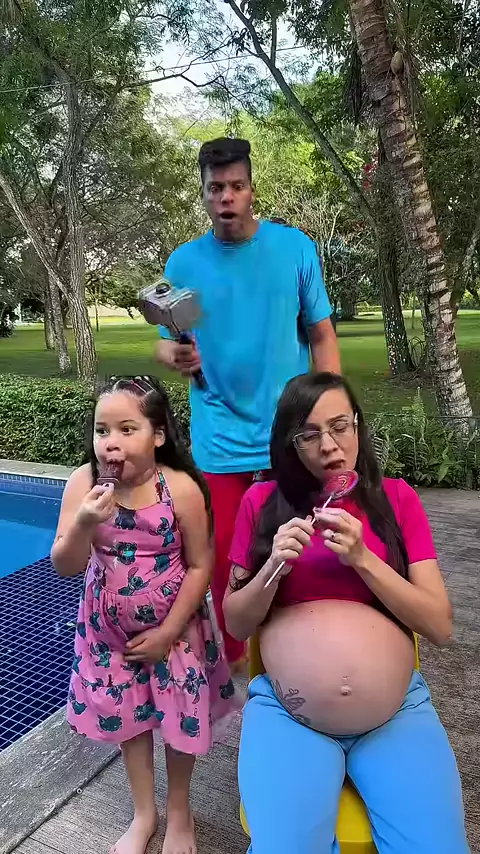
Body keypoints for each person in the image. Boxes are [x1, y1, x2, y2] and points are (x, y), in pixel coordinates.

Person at [223, 372, 469, 854]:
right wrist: (273, 567)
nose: (329, 446)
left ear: (357, 425)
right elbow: (236, 623)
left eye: (340, 426)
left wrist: (363, 559)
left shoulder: (396, 499)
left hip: (395, 714)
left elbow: (439, 626)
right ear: (290, 443)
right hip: (289, 717)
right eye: (309, 434)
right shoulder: (262, 503)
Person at [155, 137, 341, 669]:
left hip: (290, 433)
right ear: (203, 194)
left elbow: (321, 335)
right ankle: (238, 660)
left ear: (252, 189)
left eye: (236, 186)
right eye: (216, 188)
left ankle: (301, 646)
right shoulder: (184, 263)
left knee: (303, 547)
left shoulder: (294, 249)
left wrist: (330, 412)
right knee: (225, 560)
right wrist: (171, 352)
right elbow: (168, 340)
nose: (226, 197)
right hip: (219, 437)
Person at [51, 376, 236, 854]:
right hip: (108, 634)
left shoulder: (180, 488)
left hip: (175, 631)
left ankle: (179, 810)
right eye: (102, 430)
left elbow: (201, 565)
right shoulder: (83, 484)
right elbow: (66, 564)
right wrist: (84, 523)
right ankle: (143, 813)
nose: (110, 442)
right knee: (129, 718)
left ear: (157, 435)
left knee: (178, 716)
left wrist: (169, 631)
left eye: (126, 429)